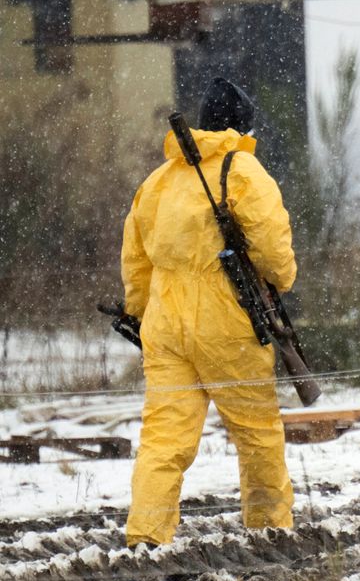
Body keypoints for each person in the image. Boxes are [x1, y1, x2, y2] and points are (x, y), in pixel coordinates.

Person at [123, 78, 297, 547]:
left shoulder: (157, 181)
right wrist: (280, 280)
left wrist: (141, 314)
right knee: (256, 431)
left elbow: (136, 261)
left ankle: (146, 535)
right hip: (227, 322)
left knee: (164, 438)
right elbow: (274, 254)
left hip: (164, 324)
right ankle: (269, 531)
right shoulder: (244, 171)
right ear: (242, 125)